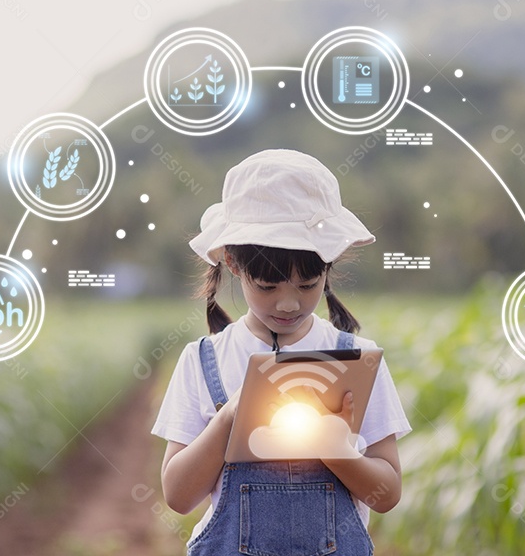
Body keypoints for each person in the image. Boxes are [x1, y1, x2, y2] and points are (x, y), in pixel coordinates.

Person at [151, 149, 411, 555]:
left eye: (307, 285)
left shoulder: (358, 359)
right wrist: (230, 418)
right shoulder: (204, 360)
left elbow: (387, 492)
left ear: (329, 264)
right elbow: (178, 496)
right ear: (233, 263)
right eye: (268, 286)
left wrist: (335, 449)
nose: (288, 304)